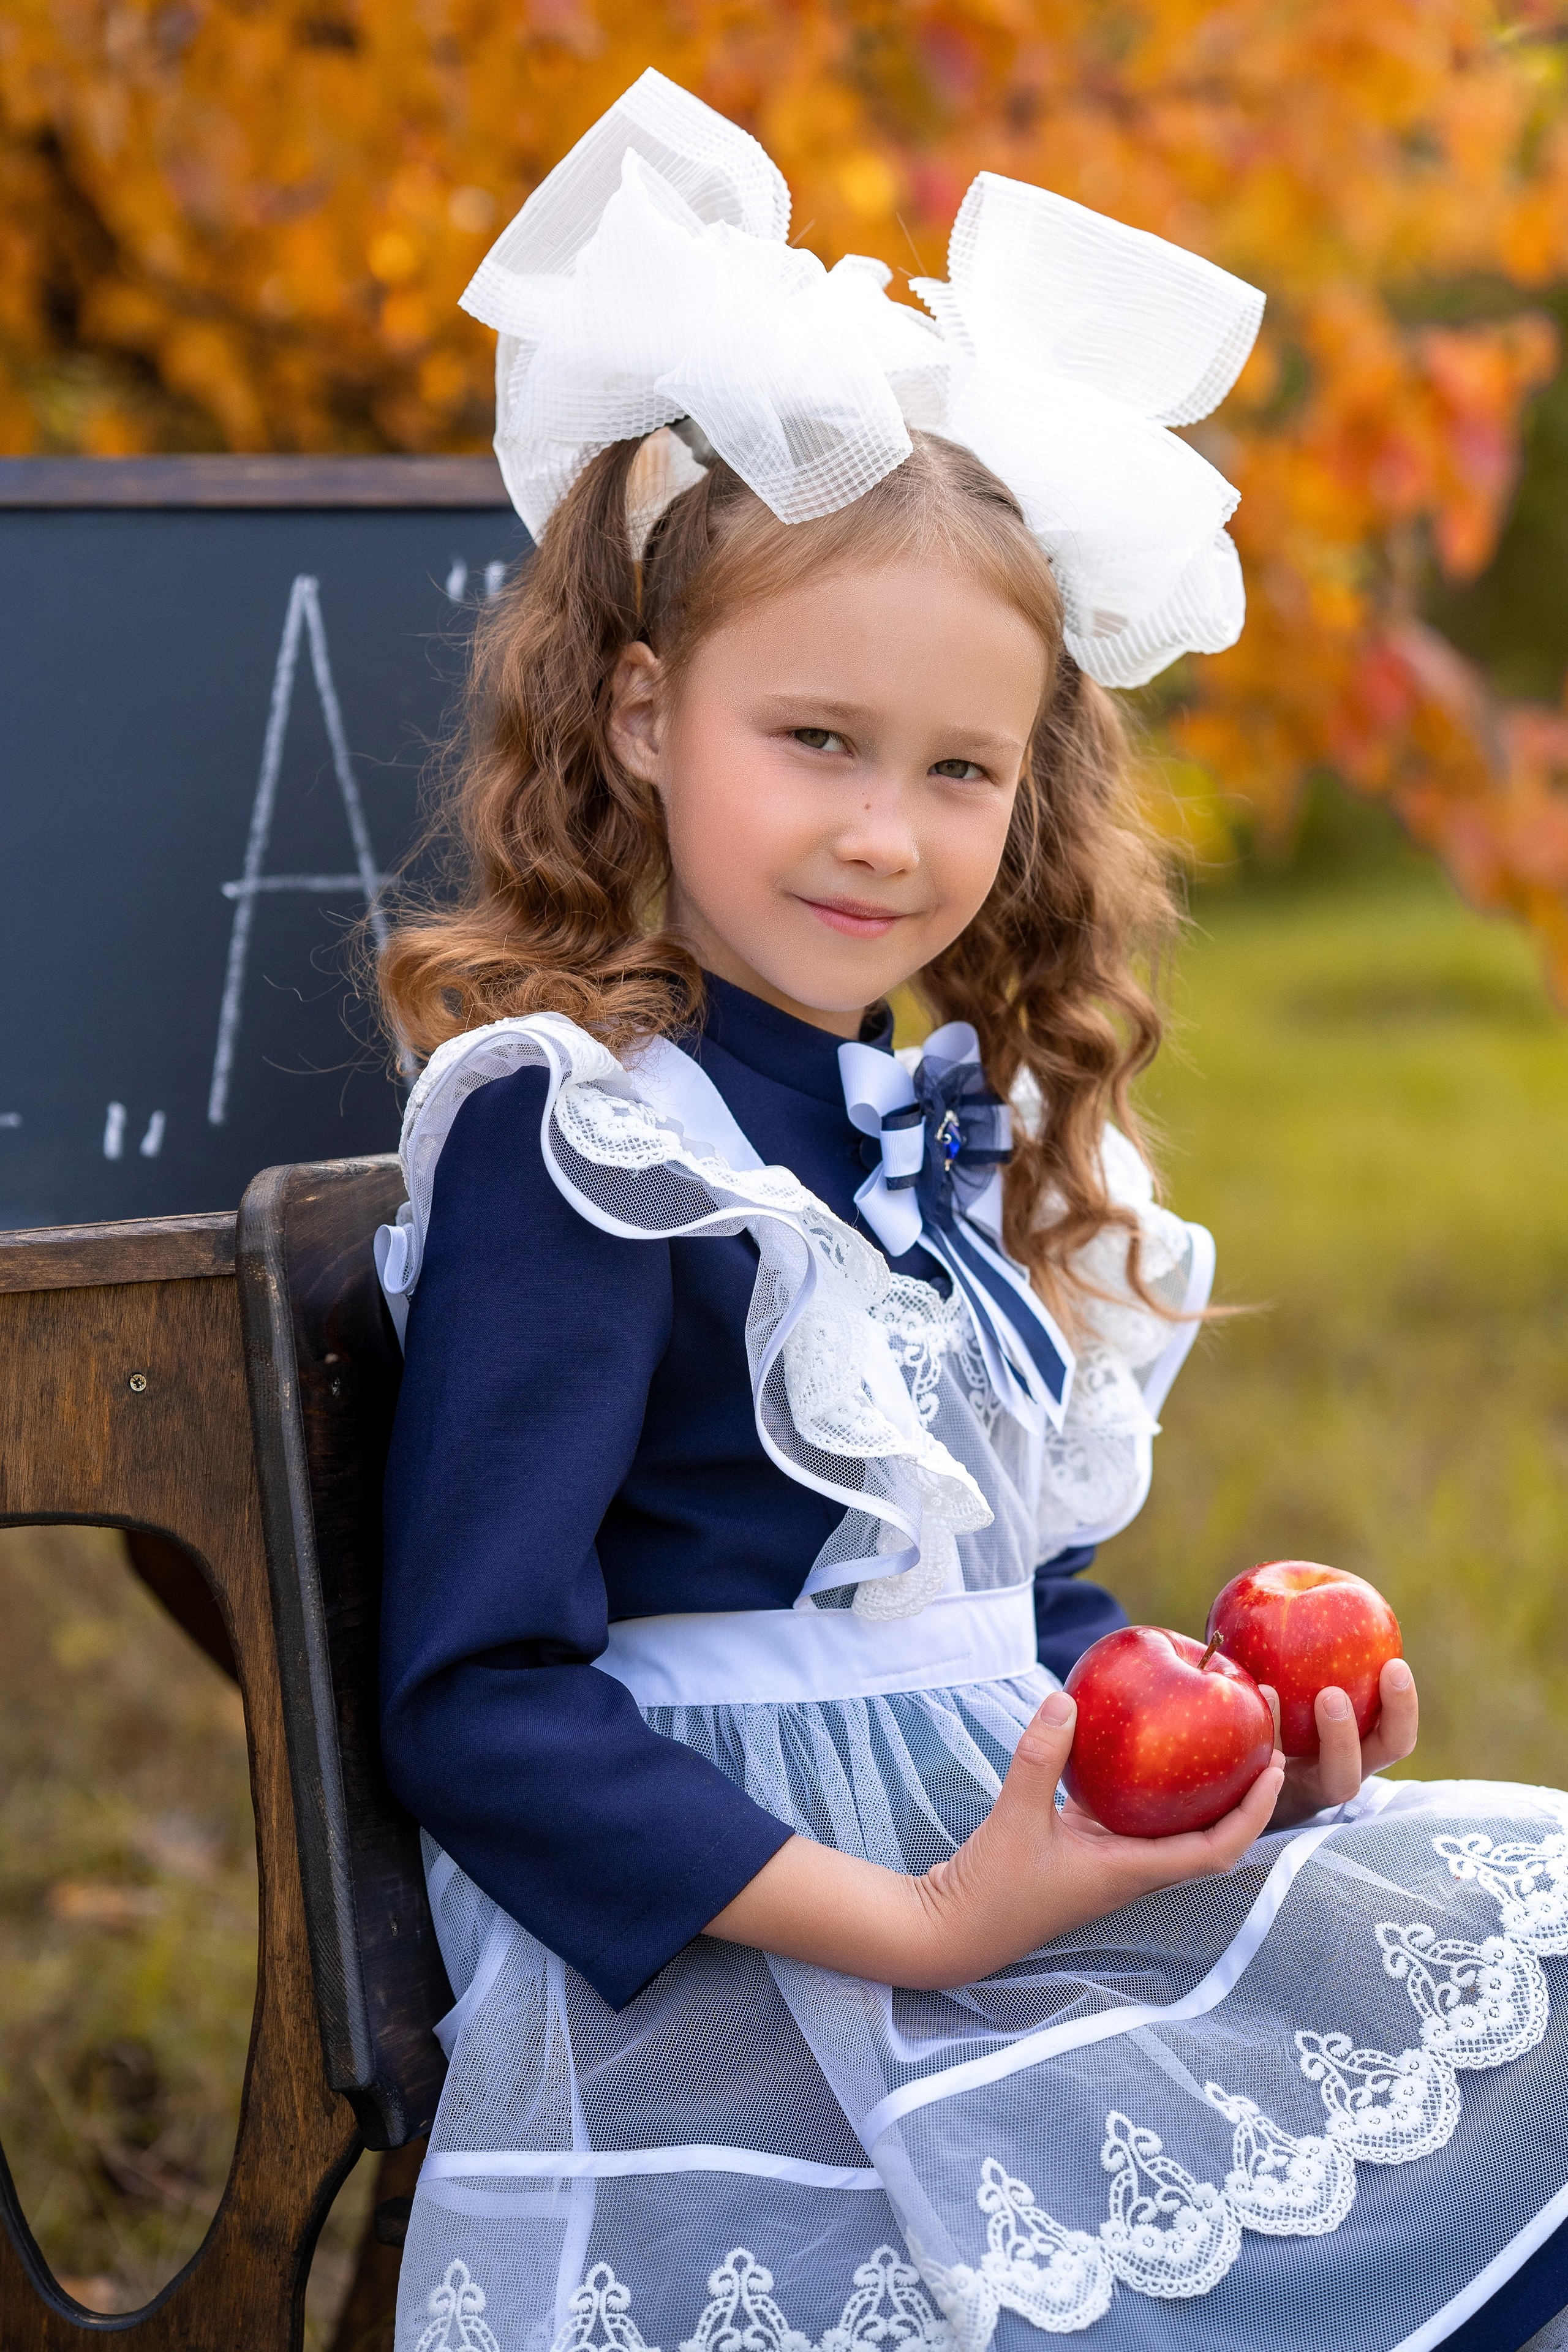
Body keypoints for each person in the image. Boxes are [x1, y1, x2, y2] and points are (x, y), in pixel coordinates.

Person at [374, 71, 1568, 2352]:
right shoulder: (592, 1138)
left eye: (959, 771)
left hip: (991, 1879)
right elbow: (479, 1703)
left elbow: (1002, 1601)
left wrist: (1216, 1753)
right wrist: (930, 1924)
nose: (886, 835)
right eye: (812, 739)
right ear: (640, 713)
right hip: (775, 1973)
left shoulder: (918, 1119)